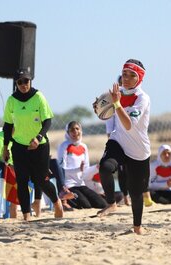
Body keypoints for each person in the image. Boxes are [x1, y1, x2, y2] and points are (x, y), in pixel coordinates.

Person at [93, 59, 151, 235]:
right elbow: (106, 114)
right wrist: (99, 108)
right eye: (124, 73)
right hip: (118, 141)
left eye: (132, 75)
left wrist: (117, 104)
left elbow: (128, 124)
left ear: (139, 78)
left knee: (135, 193)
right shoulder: (116, 94)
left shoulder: (142, 98)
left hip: (138, 150)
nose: (126, 78)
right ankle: (112, 204)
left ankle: (137, 227)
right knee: (105, 167)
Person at [2, 69, 63, 221]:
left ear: (30, 81)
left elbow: (47, 121)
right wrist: (5, 147)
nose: (23, 85)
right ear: (16, 83)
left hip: (40, 145)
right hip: (19, 146)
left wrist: (38, 137)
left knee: (40, 180)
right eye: (20, 82)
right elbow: (8, 126)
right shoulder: (12, 100)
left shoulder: (38, 97)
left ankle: (56, 202)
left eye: (26, 81)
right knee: (21, 181)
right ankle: (26, 216)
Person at [57, 121, 107, 209]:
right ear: (68, 133)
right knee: (85, 205)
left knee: (102, 204)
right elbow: (61, 169)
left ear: (81, 130)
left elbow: (86, 169)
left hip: (81, 184)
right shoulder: (63, 146)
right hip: (69, 185)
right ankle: (64, 199)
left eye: (77, 129)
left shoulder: (84, 146)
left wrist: (97, 167)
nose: (75, 131)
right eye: (72, 130)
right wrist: (78, 169)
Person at [105, 75, 130, 206]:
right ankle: (125, 196)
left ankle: (138, 194)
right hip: (118, 140)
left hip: (132, 140)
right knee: (122, 170)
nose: (123, 86)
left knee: (131, 169)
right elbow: (109, 122)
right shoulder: (112, 102)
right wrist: (110, 140)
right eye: (120, 83)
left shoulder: (135, 99)